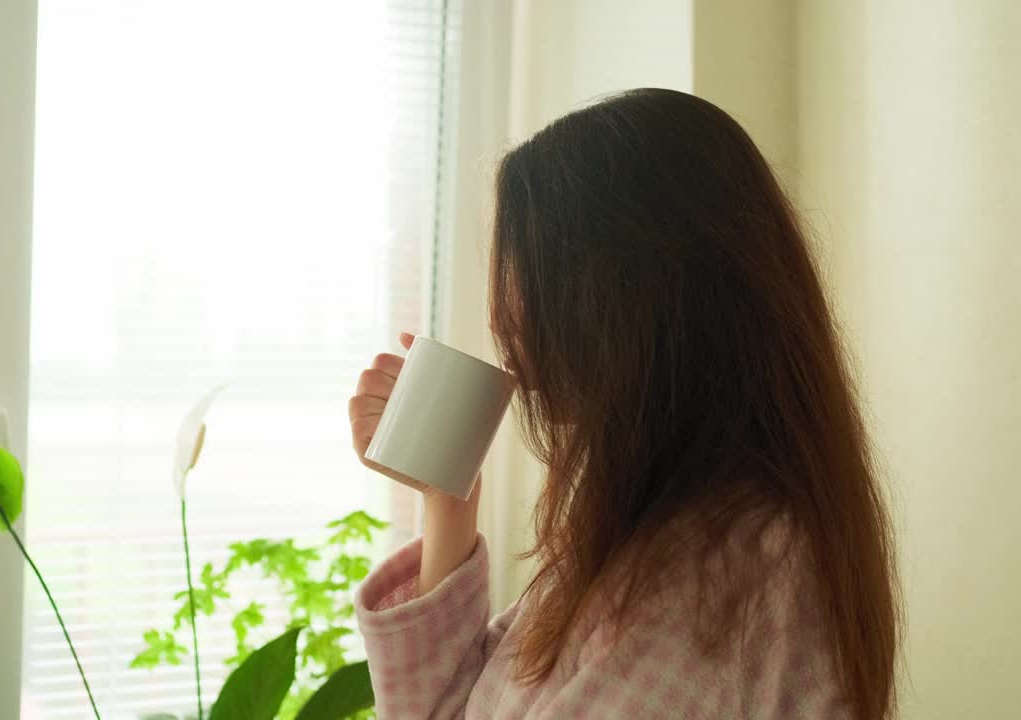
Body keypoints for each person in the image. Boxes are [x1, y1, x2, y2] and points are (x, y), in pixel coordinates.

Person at [346, 89, 900, 719]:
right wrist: (446, 497)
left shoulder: (725, 576)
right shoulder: (655, 529)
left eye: (527, 272)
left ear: (622, 294)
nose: (502, 316)